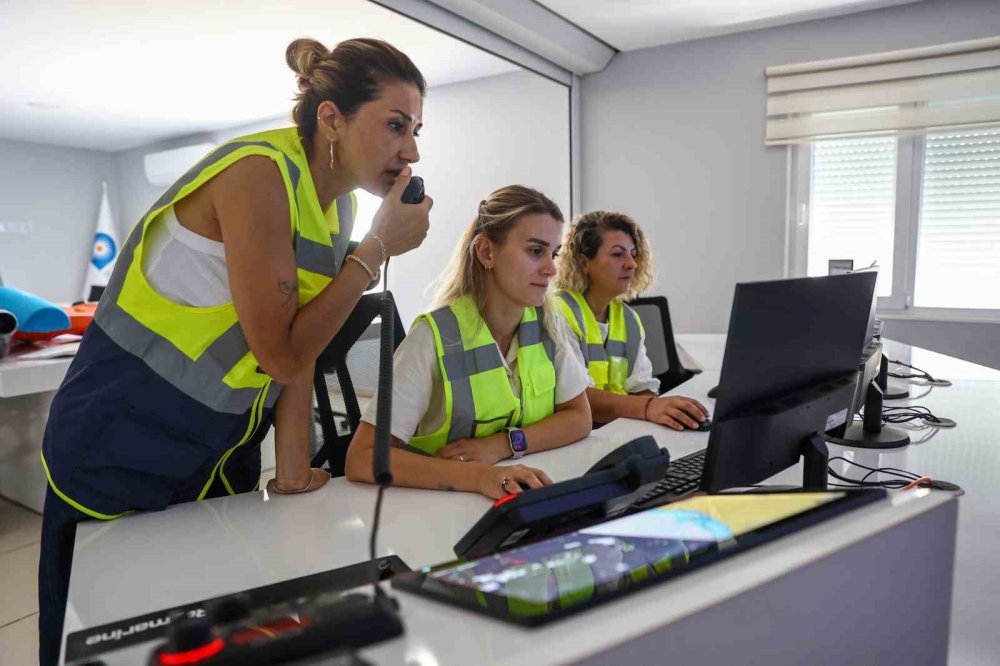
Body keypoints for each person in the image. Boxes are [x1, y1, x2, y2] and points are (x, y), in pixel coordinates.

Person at [37, 37, 432, 665]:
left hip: (217, 449)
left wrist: (294, 473)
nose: (411, 151)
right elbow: (281, 354)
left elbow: (302, 343)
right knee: (105, 639)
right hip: (121, 438)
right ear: (332, 117)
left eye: (415, 131)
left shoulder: (337, 207)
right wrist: (375, 251)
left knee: (208, 637)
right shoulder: (258, 174)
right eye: (395, 125)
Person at [346, 185, 592, 499]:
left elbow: (579, 417)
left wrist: (501, 445)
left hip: (513, 495)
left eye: (554, 253)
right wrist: (479, 476)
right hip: (431, 508)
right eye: (535, 251)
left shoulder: (546, 322)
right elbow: (362, 458)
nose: (551, 268)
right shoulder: (434, 336)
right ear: (487, 252)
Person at [553, 210, 708, 429]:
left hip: (617, 430)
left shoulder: (629, 319)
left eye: (633, 255)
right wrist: (648, 408)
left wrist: (658, 411)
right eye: (618, 254)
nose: (632, 264)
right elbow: (576, 398)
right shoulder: (559, 312)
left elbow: (642, 387)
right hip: (577, 434)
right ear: (584, 262)